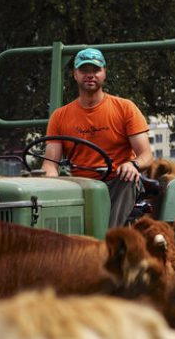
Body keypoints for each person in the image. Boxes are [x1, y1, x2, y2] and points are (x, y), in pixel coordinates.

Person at [42, 47, 154, 227]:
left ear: (104, 73)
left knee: (128, 179)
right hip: (79, 184)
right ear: (75, 74)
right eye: (84, 70)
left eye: (95, 70)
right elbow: (49, 164)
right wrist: (51, 185)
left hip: (116, 181)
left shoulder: (125, 108)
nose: (90, 75)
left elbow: (146, 156)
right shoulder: (60, 116)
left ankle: (106, 240)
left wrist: (133, 165)